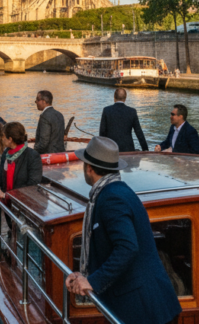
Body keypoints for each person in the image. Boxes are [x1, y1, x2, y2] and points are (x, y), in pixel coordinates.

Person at [64, 137, 182, 324]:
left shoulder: (111, 199)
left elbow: (127, 247)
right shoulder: (117, 191)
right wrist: (85, 276)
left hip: (144, 310)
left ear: (89, 168)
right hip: (148, 306)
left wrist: (93, 282)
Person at [0, 122, 43, 202]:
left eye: (2, 136)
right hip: (8, 202)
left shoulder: (32, 156)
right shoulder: (6, 153)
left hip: (23, 205)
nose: (1, 138)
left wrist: (5, 195)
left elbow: (32, 185)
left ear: (10, 139)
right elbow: (0, 177)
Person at [98, 88, 148, 152]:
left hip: (110, 150)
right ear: (125, 98)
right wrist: (145, 149)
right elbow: (139, 133)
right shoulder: (132, 112)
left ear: (114, 97)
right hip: (128, 150)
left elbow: (102, 133)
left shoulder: (106, 110)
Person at [34, 90, 65, 154]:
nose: (35, 102)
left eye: (37, 99)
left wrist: (33, 151)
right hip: (61, 153)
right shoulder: (59, 115)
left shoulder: (44, 116)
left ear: (44, 101)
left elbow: (43, 143)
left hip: (48, 155)